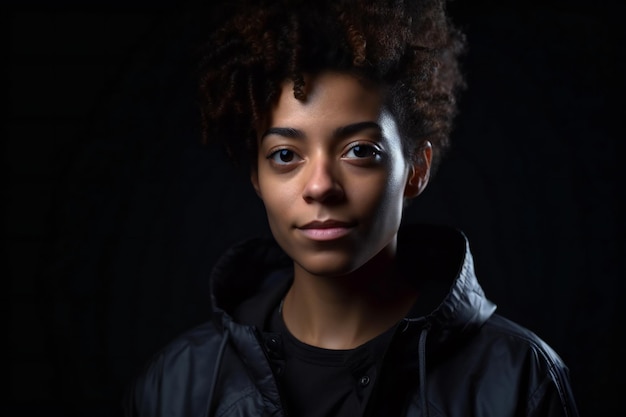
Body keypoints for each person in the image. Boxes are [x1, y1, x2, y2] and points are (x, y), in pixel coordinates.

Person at [126, 0, 579, 416]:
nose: (321, 186)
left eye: (359, 151)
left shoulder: (521, 380)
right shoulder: (176, 386)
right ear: (256, 178)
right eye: (286, 155)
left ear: (416, 170)